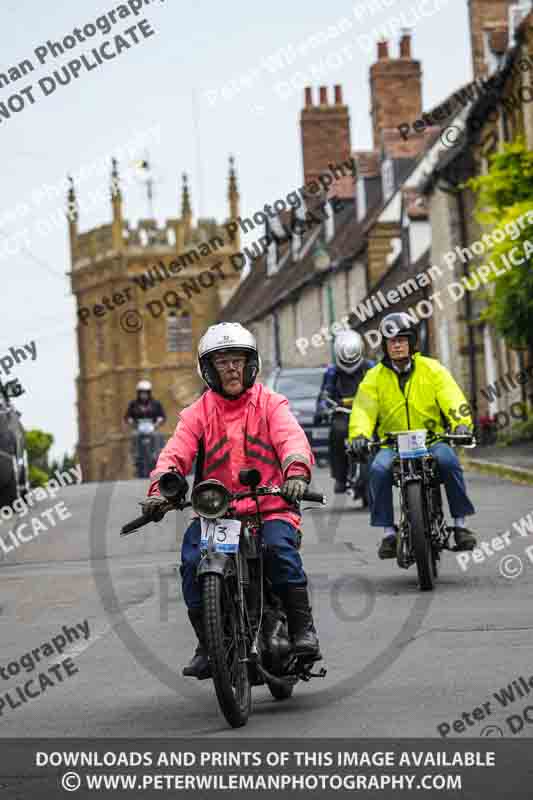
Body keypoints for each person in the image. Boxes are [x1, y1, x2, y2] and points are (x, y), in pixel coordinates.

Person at [141, 322, 321, 679]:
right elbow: (174, 454)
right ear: (209, 369)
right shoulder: (196, 414)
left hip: (269, 506)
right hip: (217, 514)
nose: (232, 368)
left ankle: (303, 629)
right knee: (193, 561)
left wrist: (296, 472)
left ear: (250, 363)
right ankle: (209, 644)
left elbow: (291, 439)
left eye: (237, 360)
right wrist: (161, 490)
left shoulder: (271, 404)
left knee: (278, 551)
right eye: (222, 362)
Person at [348, 312, 477, 559]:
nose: (397, 345)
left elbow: (452, 397)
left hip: (431, 441)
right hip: (392, 444)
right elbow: (363, 410)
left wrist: (461, 424)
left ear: (412, 342)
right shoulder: (373, 377)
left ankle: (460, 526)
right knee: (377, 470)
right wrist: (359, 435)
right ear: (385, 346)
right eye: (391, 341)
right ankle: (388, 533)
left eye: (402, 339)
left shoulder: (432, 369)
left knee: (449, 462)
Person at [317, 331, 374, 494]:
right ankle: (340, 477)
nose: (349, 361)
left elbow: (382, 388)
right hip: (342, 414)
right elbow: (324, 394)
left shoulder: (371, 368)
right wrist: (322, 409)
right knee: (337, 432)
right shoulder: (332, 373)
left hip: (368, 413)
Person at [125, 381, 166, 478]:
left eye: (146, 393)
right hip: (138, 428)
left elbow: (162, 415)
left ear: (149, 393)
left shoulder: (156, 404)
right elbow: (127, 416)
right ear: (138, 393)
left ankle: (158, 455)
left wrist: (158, 422)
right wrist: (131, 421)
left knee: (158, 436)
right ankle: (135, 456)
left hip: (152, 427)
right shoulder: (133, 404)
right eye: (141, 393)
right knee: (134, 436)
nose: (144, 395)